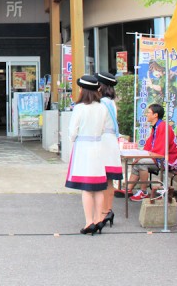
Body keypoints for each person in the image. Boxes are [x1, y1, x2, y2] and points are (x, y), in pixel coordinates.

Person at [65, 75, 110, 235]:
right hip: (98, 147)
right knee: (98, 187)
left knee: (86, 188)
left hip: (83, 148)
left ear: (83, 90)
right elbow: (104, 129)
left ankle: (89, 222)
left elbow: (72, 132)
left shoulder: (80, 108)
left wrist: (74, 140)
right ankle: (99, 219)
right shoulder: (103, 107)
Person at [129, 103, 177, 201]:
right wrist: (140, 156)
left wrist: (143, 157)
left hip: (169, 159)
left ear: (155, 115)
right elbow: (149, 145)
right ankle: (128, 190)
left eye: (148, 112)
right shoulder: (156, 126)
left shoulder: (163, 127)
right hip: (160, 156)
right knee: (137, 163)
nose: (146, 115)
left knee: (141, 163)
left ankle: (144, 192)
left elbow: (160, 151)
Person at [95, 72, 122, 228]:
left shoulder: (101, 104)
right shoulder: (111, 102)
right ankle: (107, 210)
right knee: (109, 180)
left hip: (102, 142)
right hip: (111, 142)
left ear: (100, 86)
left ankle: (103, 212)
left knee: (101, 179)